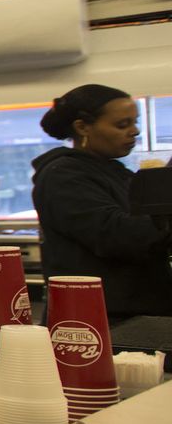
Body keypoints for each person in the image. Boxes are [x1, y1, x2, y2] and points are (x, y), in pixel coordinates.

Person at [31, 84, 172, 320]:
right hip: (99, 320)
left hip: (142, 312)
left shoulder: (117, 172)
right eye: (122, 125)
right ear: (82, 127)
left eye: (135, 122)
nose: (135, 131)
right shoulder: (63, 175)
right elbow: (117, 235)